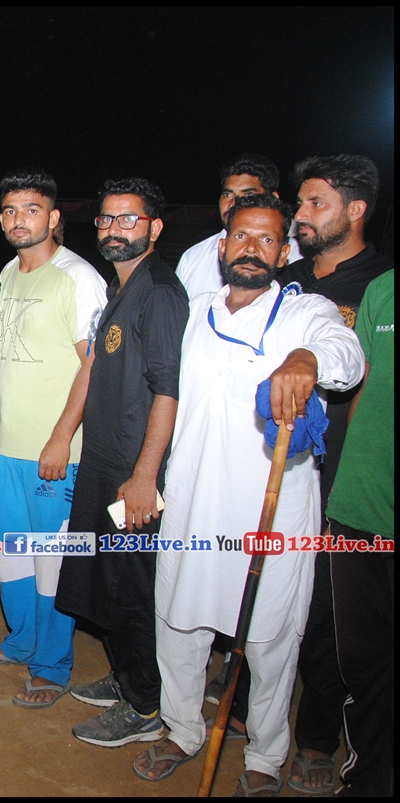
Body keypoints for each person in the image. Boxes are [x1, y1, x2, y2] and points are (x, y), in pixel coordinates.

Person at [134, 194, 364, 794]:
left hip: (271, 509)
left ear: (284, 251)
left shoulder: (304, 311)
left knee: (269, 638)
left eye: (267, 240)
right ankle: (182, 728)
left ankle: (265, 755)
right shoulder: (195, 311)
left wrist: (307, 357)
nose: (252, 249)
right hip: (192, 499)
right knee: (178, 620)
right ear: (222, 245)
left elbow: (347, 356)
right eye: (241, 236)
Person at [55, 178, 189, 745]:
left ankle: (144, 705)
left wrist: (145, 475)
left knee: (131, 587)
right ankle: (126, 675)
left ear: (154, 227)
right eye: (106, 219)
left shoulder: (159, 292)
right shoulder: (122, 287)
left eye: (127, 219)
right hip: (105, 461)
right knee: (104, 579)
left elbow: (167, 389)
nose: (114, 229)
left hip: (132, 472)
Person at [276, 154, 391, 796]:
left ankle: (317, 738)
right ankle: (250, 712)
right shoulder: (286, 279)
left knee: (328, 610)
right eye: (300, 202)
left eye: (315, 202)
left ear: (356, 209)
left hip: (343, 477)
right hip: (275, 465)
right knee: (269, 586)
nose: (301, 214)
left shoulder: (379, 284)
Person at [0, 169, 107, 709]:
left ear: (53, 218)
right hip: (4, 445)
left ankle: (53, 665)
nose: (17, 220)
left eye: (30, 210)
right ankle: (22, 640)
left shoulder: (78, 278)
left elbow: (93, 364)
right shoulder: (8, 272)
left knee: (52, 561)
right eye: (9, 210)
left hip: (54, 453)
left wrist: (61, 438)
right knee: (13, 557)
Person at [325, 269, 393, 798]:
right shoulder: (383, 289)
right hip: (359, 508)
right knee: (366, 666)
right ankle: (365, 782)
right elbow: (359, 388)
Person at [175, 154, 301, 299]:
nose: (234, 203)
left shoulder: (300, 259)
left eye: (248, 194)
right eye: (228, 194)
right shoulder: (193, 258)